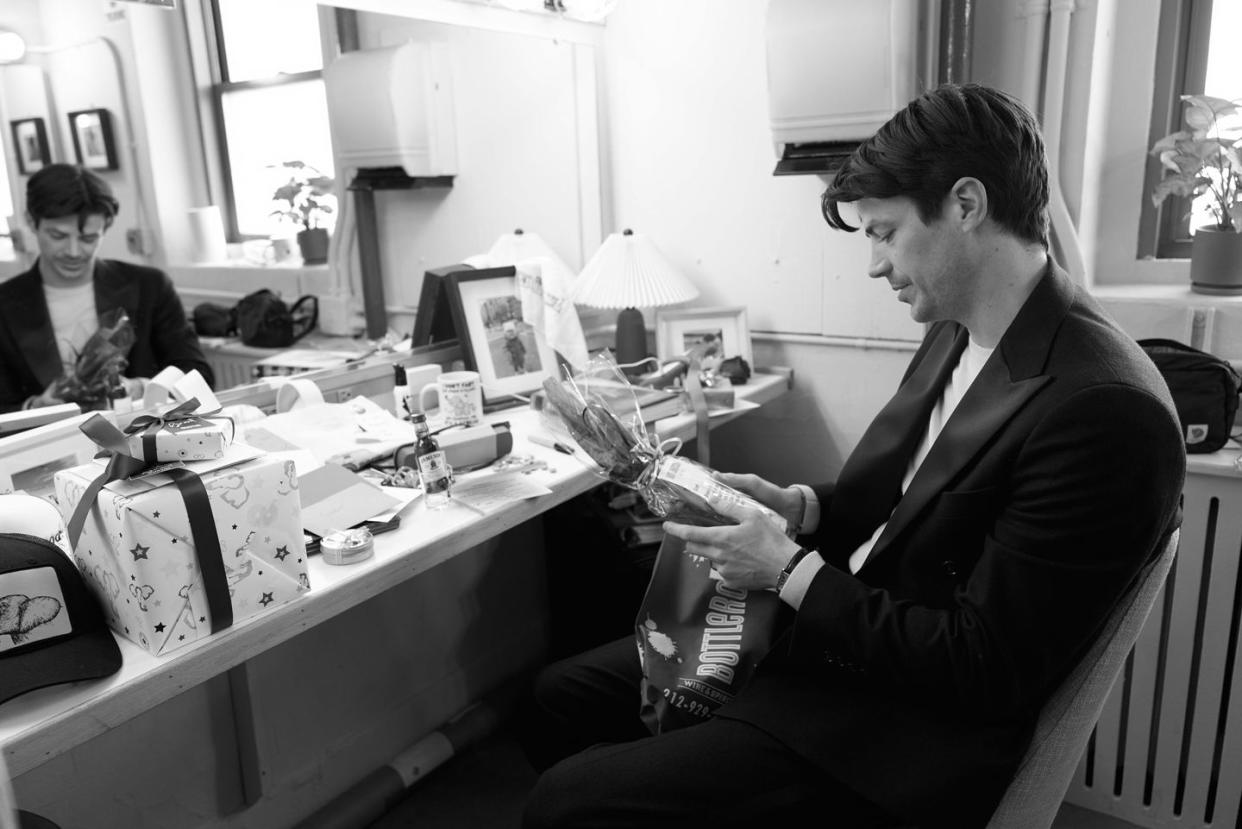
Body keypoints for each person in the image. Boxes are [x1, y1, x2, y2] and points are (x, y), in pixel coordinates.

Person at [519, 83, 1186, 828]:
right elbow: (915, 501)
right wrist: (800, 507)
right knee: (558, 695)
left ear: (967, 205)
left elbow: (984, 667)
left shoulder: (1104, 409)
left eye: (885, 232)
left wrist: (786, 567)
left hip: (893, 727)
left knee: (562, 801)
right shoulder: (963, 323)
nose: (874, 264)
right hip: (836, 636)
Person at [0, 164, 214, 413]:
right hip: (52, 447)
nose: (73, 251)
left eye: (89, 239)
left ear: (106, 228)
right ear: (31, 222)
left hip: (145, 441)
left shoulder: (150, 287)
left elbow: (199, 376)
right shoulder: (4, 306)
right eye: (58, 236)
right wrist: (35, 407)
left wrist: (142, 388)